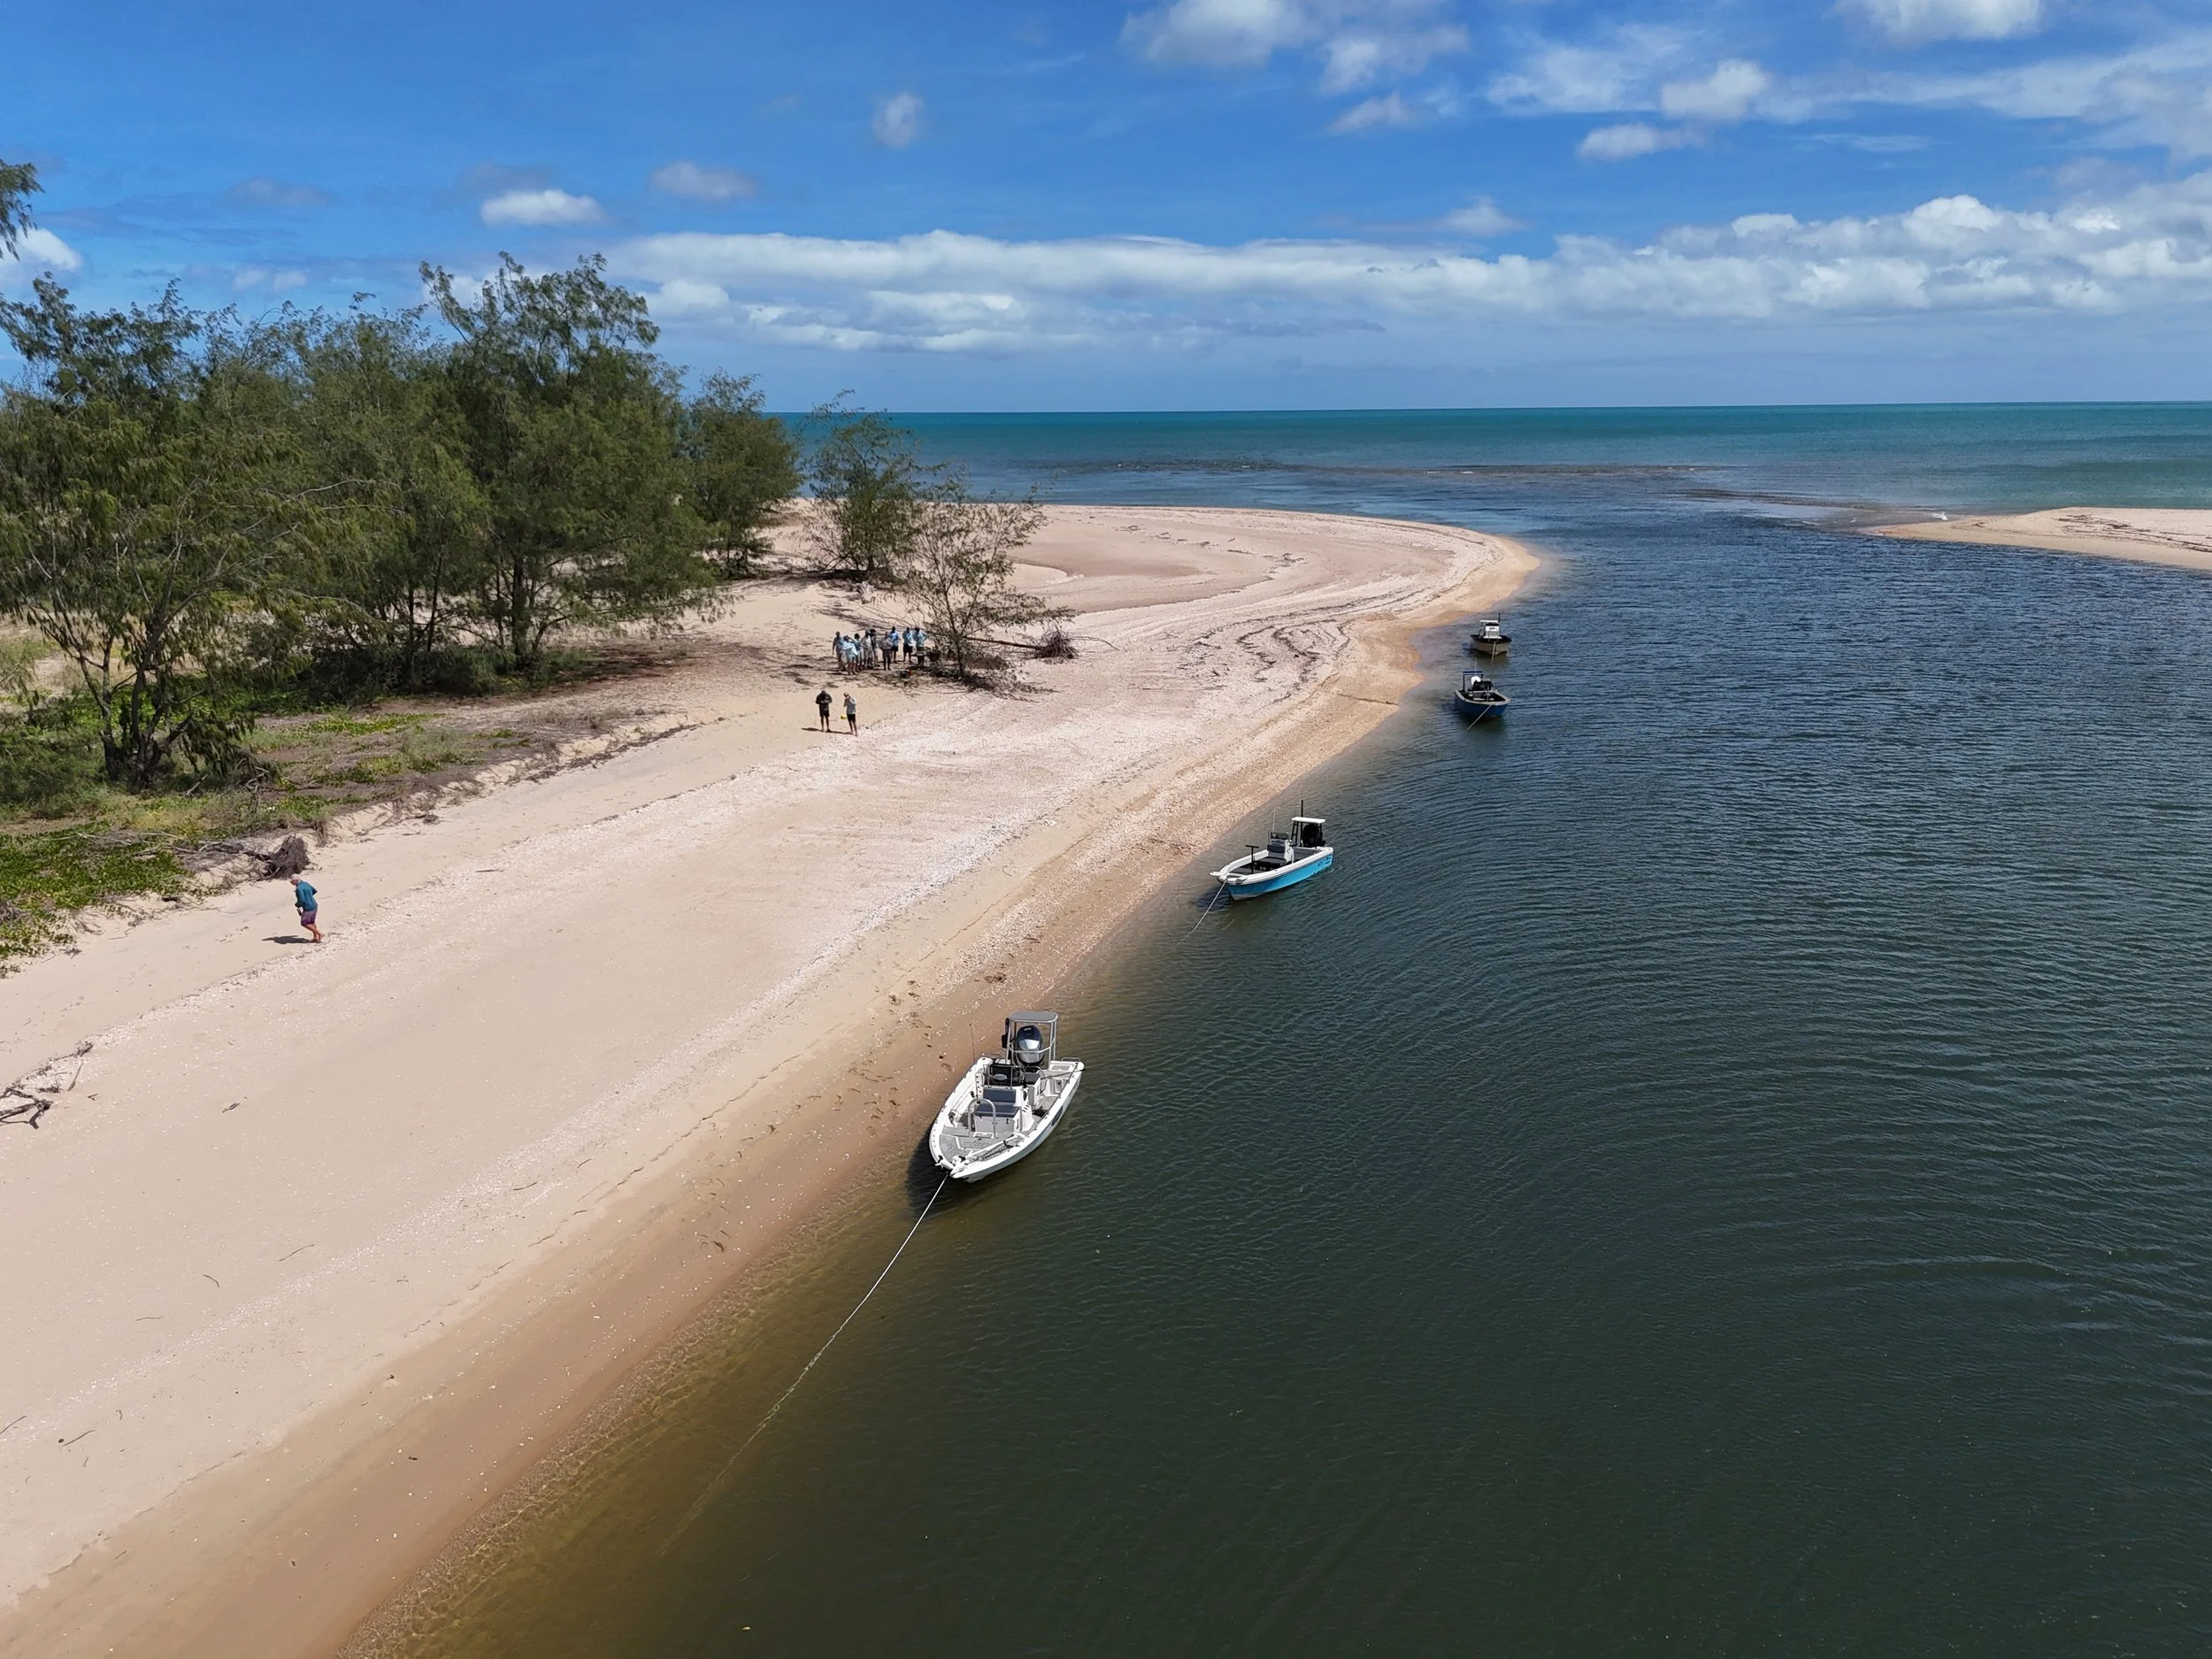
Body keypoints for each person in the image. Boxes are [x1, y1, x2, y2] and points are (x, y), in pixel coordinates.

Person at [291, 875, 323, 943]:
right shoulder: (306, 883)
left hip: (308, 907)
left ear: (296, 880)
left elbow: (302, 900)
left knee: (304, 923)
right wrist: (308, 896)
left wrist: (297, 904)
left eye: (292, 881)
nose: (291, 882)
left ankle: (320, 933)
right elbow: (314, 891)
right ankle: (315, 937)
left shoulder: (299, 888)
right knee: (311, 922)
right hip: (314, 905)